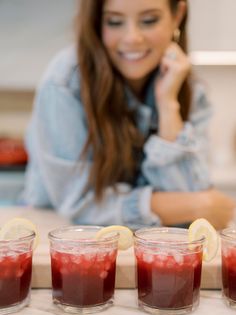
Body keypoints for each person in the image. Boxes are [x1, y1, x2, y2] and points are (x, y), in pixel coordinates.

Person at [22, 0, 235, 230]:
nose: (132, 37)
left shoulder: (189, 89)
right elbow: (80, 203)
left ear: (177, 15)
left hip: (145, 249)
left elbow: (187, 214)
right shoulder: (65, 81)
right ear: (96, 21)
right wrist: (199, 205)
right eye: (114, 22)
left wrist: (168, 105)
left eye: (148, 20)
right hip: (58, 239)